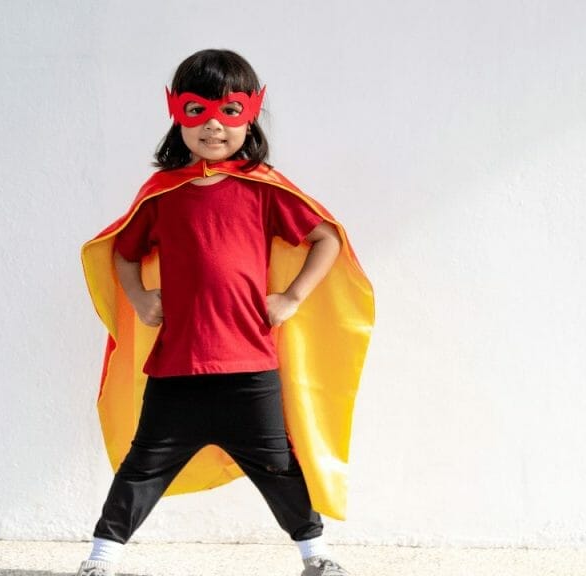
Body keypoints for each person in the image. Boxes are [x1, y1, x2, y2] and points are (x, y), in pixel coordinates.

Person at [78, 49, 374, 576]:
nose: (214, 125)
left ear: (250, 114)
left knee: (279, 466)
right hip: (177, 370)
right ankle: (101, 559)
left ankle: (315, 556)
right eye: (198, 111)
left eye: (229, 110)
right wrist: (142, 298)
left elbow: (325, 237)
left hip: (251, 368)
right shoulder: (162, 196)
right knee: (142, 466)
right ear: (177, 114)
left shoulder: (263, 188)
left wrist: (292, 298)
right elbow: (122, 251)